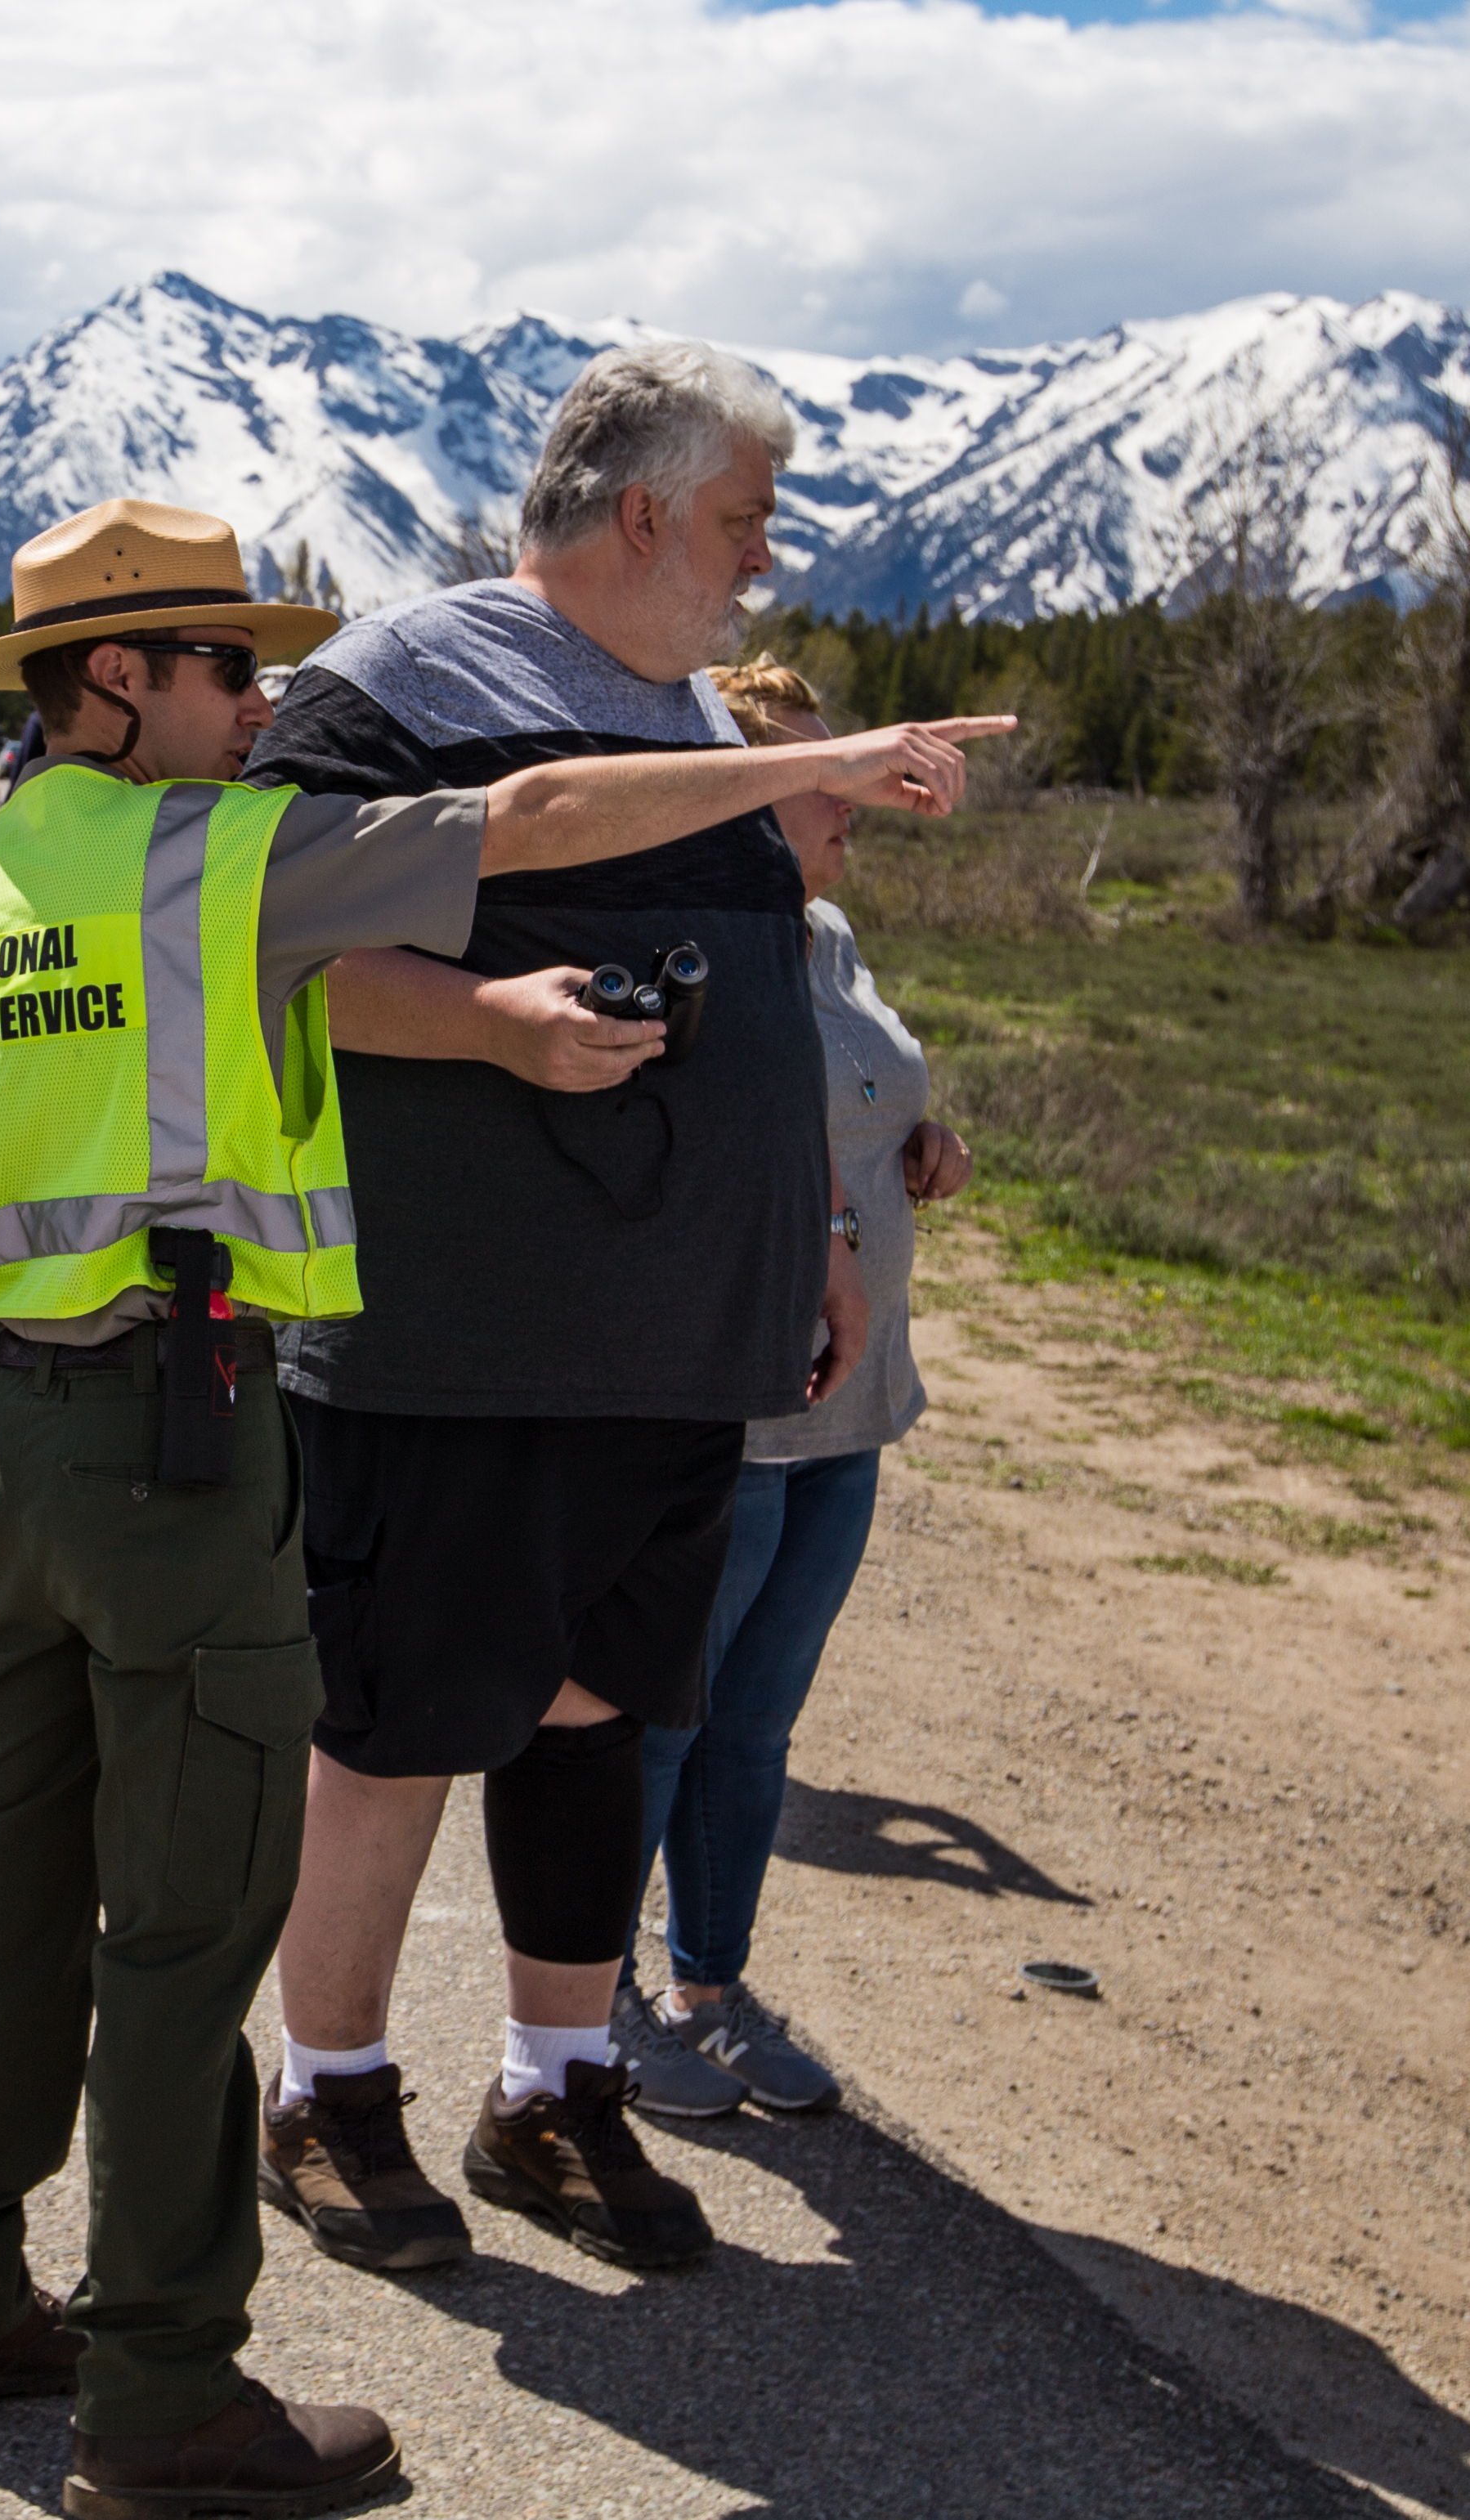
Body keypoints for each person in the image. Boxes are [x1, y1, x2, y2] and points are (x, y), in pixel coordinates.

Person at [0, 495, 1006, 2513]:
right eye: (222, 663)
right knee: (184, 1930)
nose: (260, 693)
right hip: (188, 1436)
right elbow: (539, 819)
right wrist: (810, 761)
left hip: (18, 1440)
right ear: (114, 680)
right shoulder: (218, 859)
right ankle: (160, 2395)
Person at [233, 340, 990, 2280]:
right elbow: (253, 952)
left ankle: (551, 2088)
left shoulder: (672, 705)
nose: (757, 567)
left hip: (680, 1336)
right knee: (400, 1721)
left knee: (591, 1718)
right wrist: (478, 1021)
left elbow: (770, 1004)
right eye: (738, 524)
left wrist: (810, 1223)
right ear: (641, 509)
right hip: (458, 1335)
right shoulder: (399, 684)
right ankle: (323, 2088)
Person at [607, 660, 975, 2119]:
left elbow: (864, 1096)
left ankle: (712, 1986)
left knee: (758, 1725)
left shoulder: (827, 939)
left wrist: (924, 1145)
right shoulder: (701, 940)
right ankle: (596, 2002)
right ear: (742, 792)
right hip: (739, 1409)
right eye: (825, 773)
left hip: (853, 1409)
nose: (855, 793)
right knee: (663, 1718)